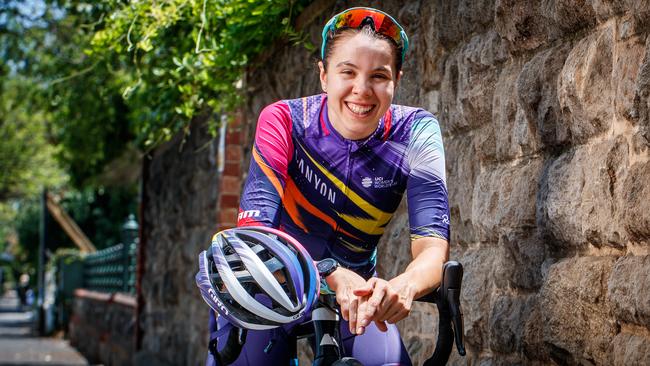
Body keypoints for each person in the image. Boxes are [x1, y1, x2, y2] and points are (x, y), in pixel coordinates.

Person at [207, 7, 450, 365]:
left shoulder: (417, 131)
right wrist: (331, 273)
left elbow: (432, 248)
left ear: (396, 79)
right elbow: (257, 236)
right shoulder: (285, 120)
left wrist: (403, 286)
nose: (362, 90)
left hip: (357, 295)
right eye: (347, 72)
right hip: (271, 286)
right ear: (324, 75)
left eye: (378, 75)